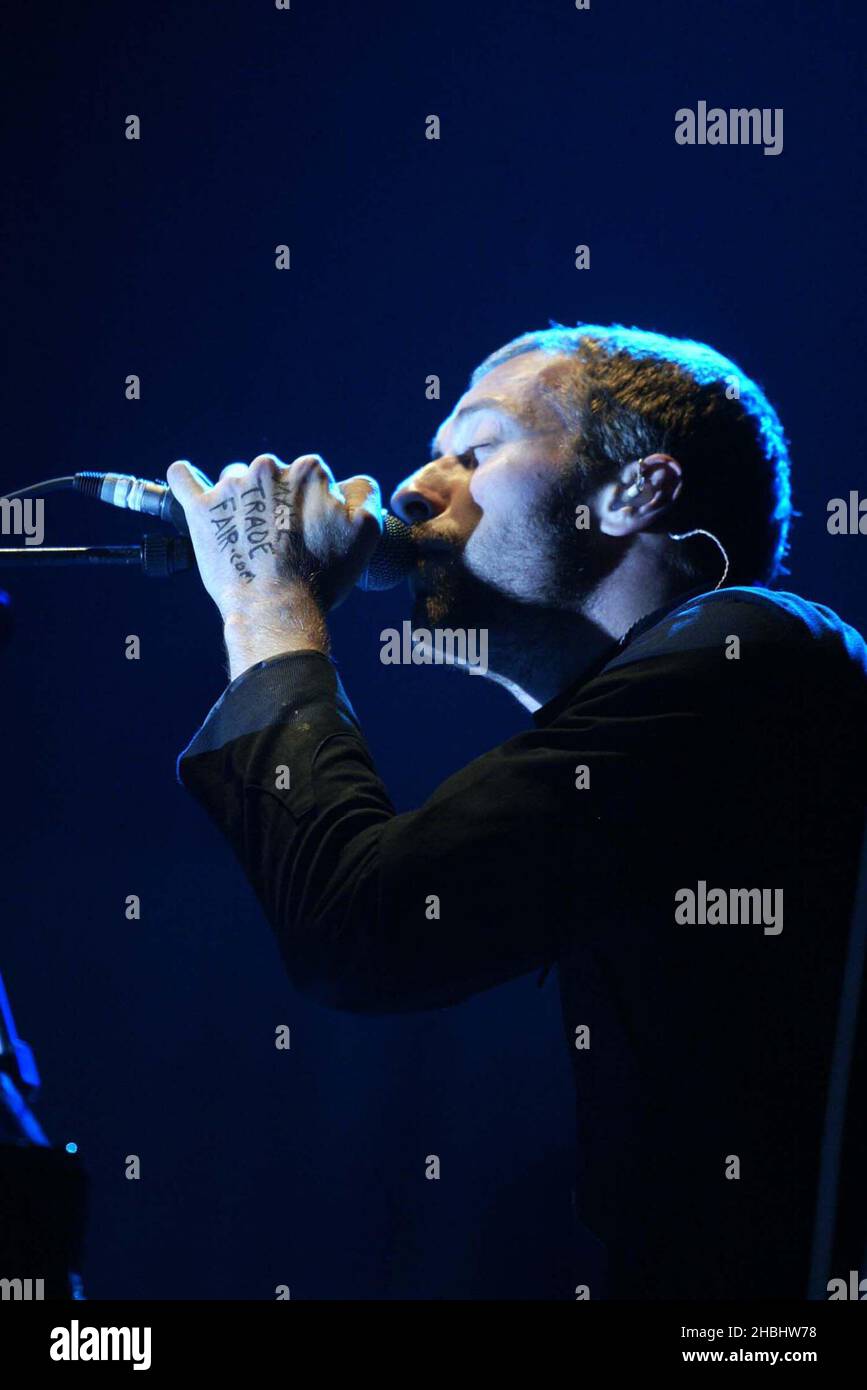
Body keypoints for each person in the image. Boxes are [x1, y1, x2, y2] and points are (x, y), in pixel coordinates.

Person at [168, 324, 867, 1299]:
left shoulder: (754, 652)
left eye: (477, 447)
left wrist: (263, 605)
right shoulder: (681, 712)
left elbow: (363, 928)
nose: (415, 485)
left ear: (637, 490)